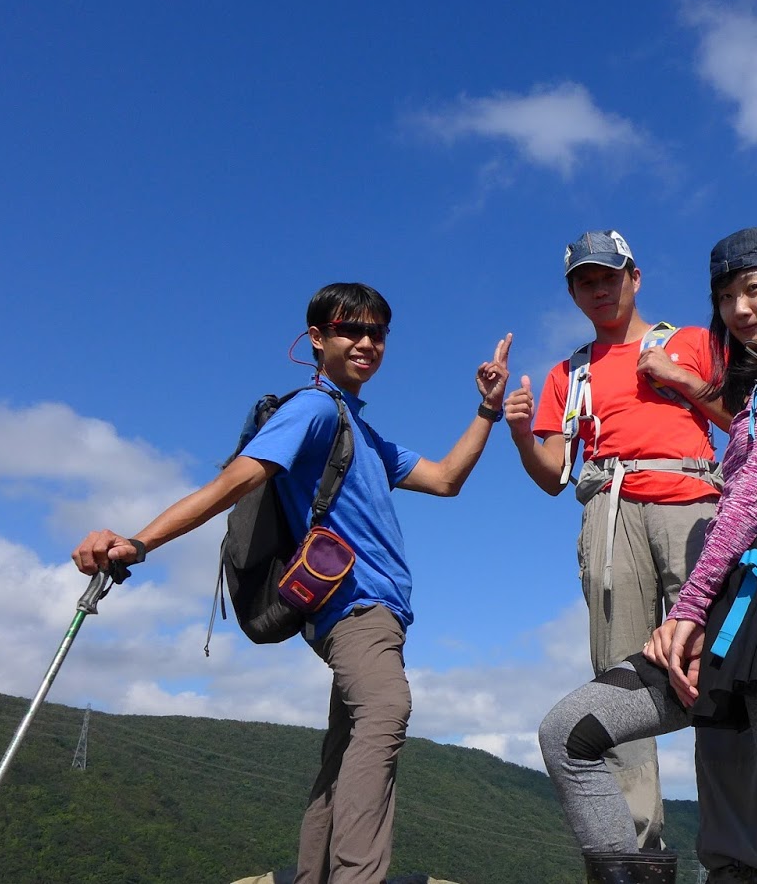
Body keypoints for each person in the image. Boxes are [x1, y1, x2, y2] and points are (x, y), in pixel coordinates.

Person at [72, 282, 511, 884]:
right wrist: (140, 543)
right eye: (350, 330)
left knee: (344, 753)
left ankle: (316, 875)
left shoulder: (361, 432)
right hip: (355, 607)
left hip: (369, 610)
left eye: (377, 332)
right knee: (386, 710)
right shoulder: (314, 410)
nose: (366, 342)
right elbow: (232, 483)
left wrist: (487, 409)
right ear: (317, 339)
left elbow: (444, 479)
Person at [538, 228, 757, 884]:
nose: (739, 309)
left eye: (754, 289)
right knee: (570, 733)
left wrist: (688, 608)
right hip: (730, 613)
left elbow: (756, 491)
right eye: (725, 297)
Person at [506, 230, 757, 879]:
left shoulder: (693, 341)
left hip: (696, 504)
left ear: (634, 277)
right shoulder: (568, 373)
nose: (599, 289)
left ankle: (738, 863)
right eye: (585, 281)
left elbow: (748, 422)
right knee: (618, 680)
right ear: (574, 293)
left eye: (609, 276)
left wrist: (679, 378)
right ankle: (637, 862)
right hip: (608, 511)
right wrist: (518, 431)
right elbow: (553, 475)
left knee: (720, 672)